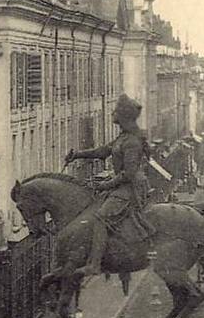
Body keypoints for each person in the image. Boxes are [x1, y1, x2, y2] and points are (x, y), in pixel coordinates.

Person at [64, 94, 152, 277]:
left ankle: (94, 264)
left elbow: (128, 174)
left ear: (124, 116)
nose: (113, 113)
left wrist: (105, 185)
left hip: (130, 188)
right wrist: (77, 155)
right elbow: (103, 151)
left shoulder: (132, 142)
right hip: (121, 187)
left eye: (116, 111)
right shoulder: (124, 137)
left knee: (101, 217)